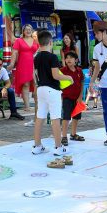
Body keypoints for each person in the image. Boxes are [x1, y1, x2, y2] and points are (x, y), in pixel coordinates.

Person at [30, 30, 73, 169]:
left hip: (40, 88)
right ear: (50, 42)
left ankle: (37, 146)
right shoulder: (53, 57)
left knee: (40, 117)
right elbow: (55, 75)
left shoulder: (36, 57)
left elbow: (35, 74)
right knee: (55, 118)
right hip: (52, 90)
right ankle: (58, 147)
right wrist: (68, 77)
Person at [10, 24, 38, 117]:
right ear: (23, 31)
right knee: (25, 84)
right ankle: (27, 106)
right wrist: (11, 63)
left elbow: (40, 51)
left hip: (34, 65)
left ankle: (37, 104)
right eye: (26, 29)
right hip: (23, 64)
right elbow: (14, 52)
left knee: (35, 84)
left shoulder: (35, 41)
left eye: (30, 29)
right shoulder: (19, 41)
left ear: (32, 30)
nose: (28, 31)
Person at [60, 51, 86, 145]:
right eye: (67, 58)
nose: (68, 60)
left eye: (71, 58)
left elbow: (82, 83)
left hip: (77, 98)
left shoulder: (79, 70)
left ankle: (73, 134)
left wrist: (80, 97)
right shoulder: (62, 71)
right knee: (66, 117)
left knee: (76, 117)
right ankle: (63, 136)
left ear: (76, 60)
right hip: (67, 98)